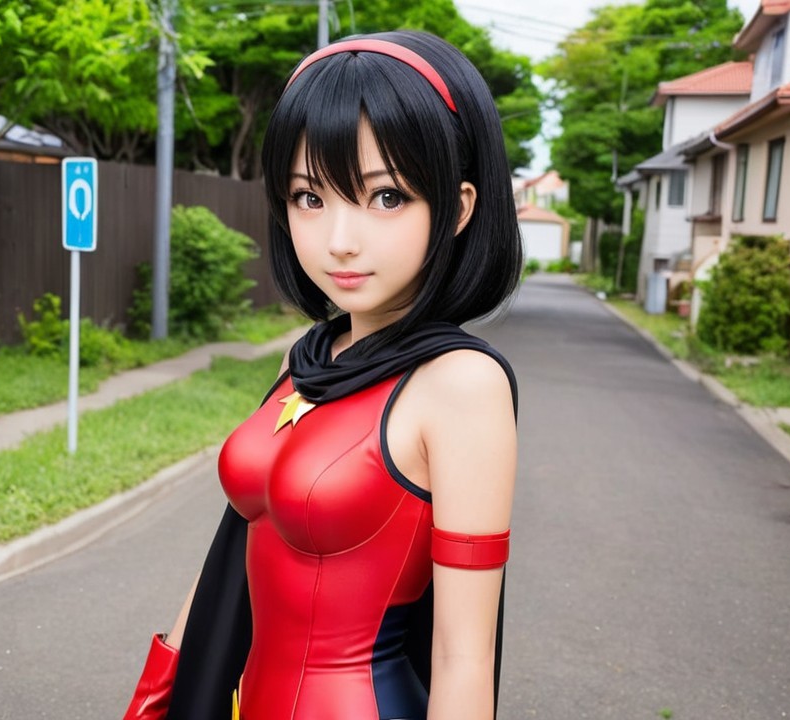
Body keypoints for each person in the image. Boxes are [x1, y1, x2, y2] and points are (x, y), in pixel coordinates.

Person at [123, 28, 521, 720]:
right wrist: (156, 701)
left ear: (457, 209)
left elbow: (464, 657)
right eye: (311, 196)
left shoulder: (460, 386)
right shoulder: (307, 359)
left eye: (386, 197)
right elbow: (229, 566)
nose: (339, 238)